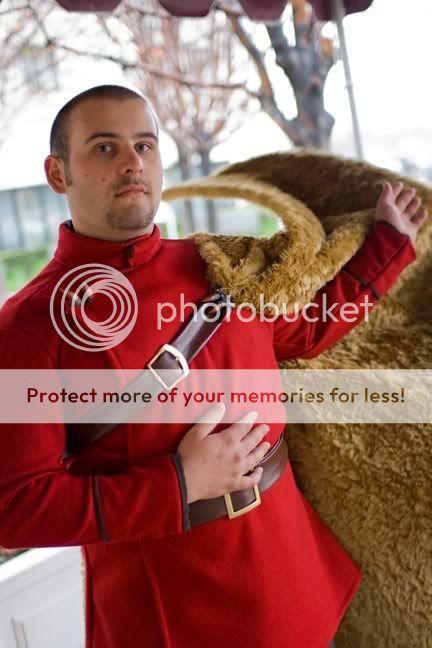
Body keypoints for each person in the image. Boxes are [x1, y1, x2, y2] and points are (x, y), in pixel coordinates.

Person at [0, 85, 427, 648]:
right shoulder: (26, 327)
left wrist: (388, 245)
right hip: (174, 616)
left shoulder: (221, 262)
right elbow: (16, 509)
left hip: (294, 578)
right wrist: (178, 485)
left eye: (145, 145)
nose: (132, 163)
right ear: (58, 173)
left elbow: (304, 331)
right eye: (104, 147)